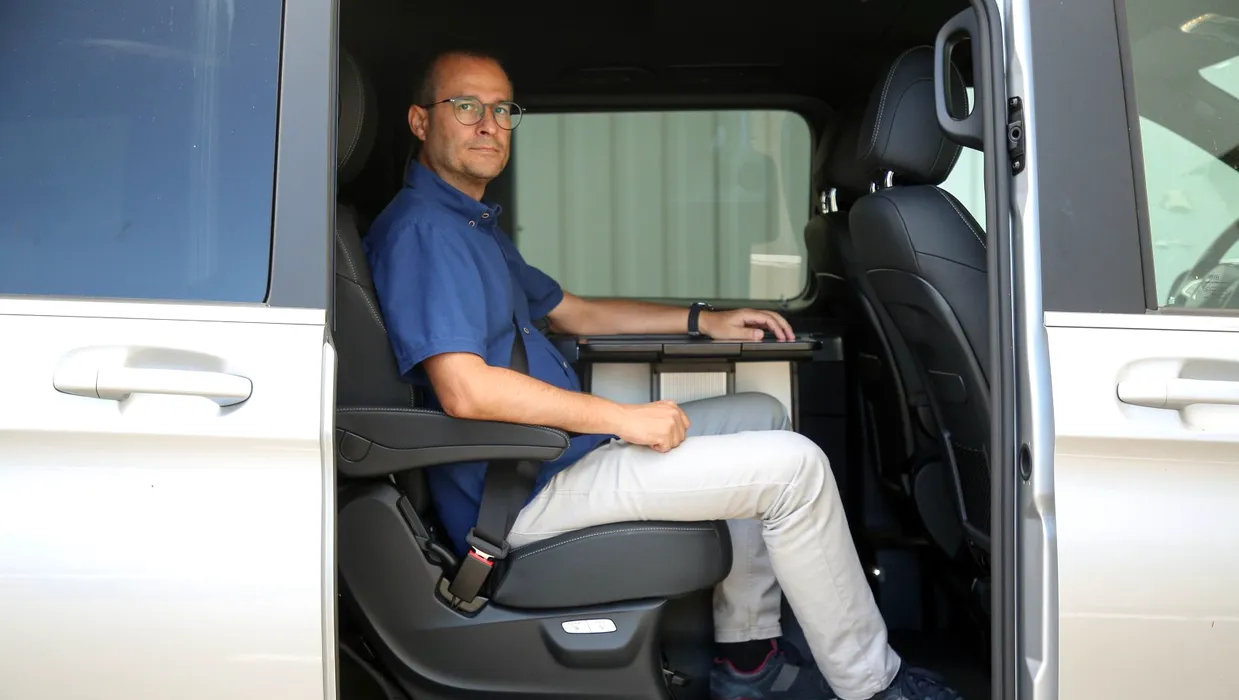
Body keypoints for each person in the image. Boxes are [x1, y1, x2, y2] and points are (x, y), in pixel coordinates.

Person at [364, 48, 966, 700]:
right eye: (466, 106)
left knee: (761, 413)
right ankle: (874, 686)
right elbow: (466, 388)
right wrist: (623, 419)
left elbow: (573, 311)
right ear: (421, 121)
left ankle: (747, 655)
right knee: (797, 470)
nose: (489, 123)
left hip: (552, 457)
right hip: (519, 493)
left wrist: (703, 320)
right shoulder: (424, 233)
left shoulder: (469, 225)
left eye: (503, 108)